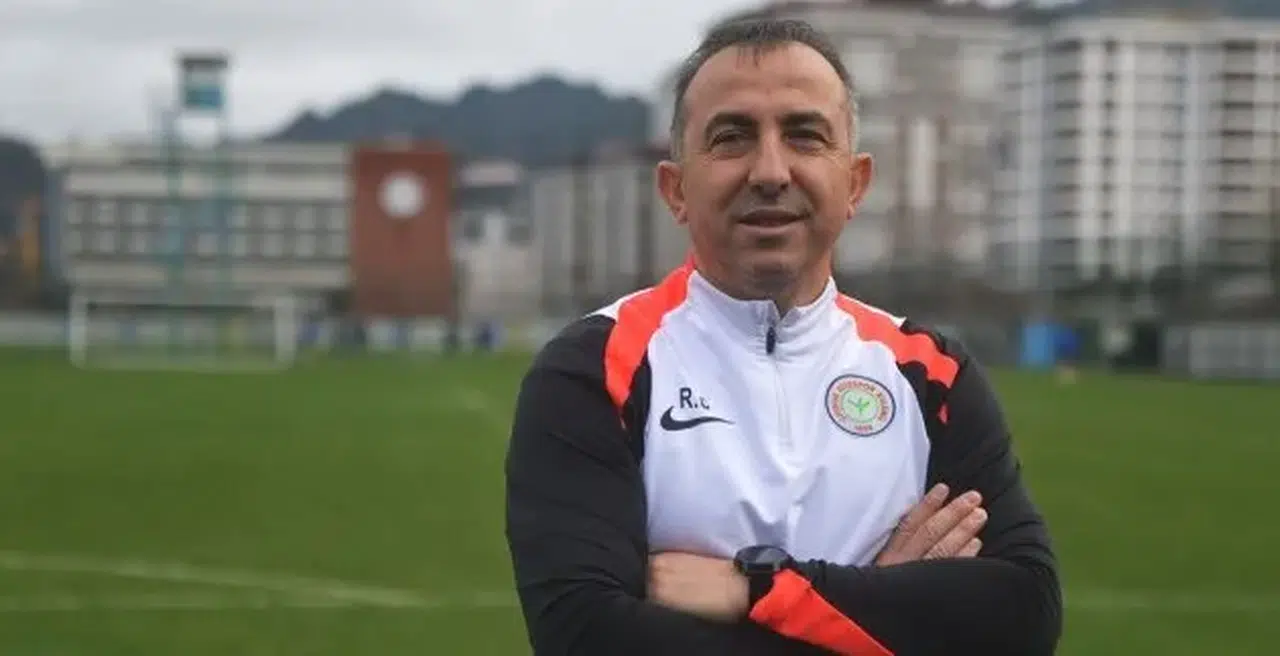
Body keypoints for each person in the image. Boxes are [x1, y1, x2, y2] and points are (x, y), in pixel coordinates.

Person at [504, 16, 1062, 656]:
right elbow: (584, 636)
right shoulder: (593, 368)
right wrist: (889, 613)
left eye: (804, 135)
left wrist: (757, 588)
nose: (770, 171)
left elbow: (1025, 616)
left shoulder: (932, 373)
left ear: (855, 184)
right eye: (731, 137)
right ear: (675, 189)